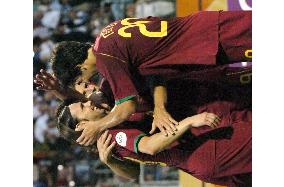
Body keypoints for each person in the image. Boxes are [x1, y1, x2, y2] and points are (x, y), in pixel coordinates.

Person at [51, 10, 252, 146]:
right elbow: (155, 70)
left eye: (79, 79)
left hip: (210, 40)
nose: (85, 82)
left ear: (80, 67)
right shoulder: (107, 34)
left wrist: (98, 126)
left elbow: (126, 107)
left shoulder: (105, 58)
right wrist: (159, 108)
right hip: (207, 32)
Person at [56, 93, 251, 187]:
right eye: (83, 107)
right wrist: (188, 122)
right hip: (204, 151)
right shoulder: (112, 136)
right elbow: (150, 146)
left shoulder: (111, 116)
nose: (88, 103)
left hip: (206, 141)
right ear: (81, 126)